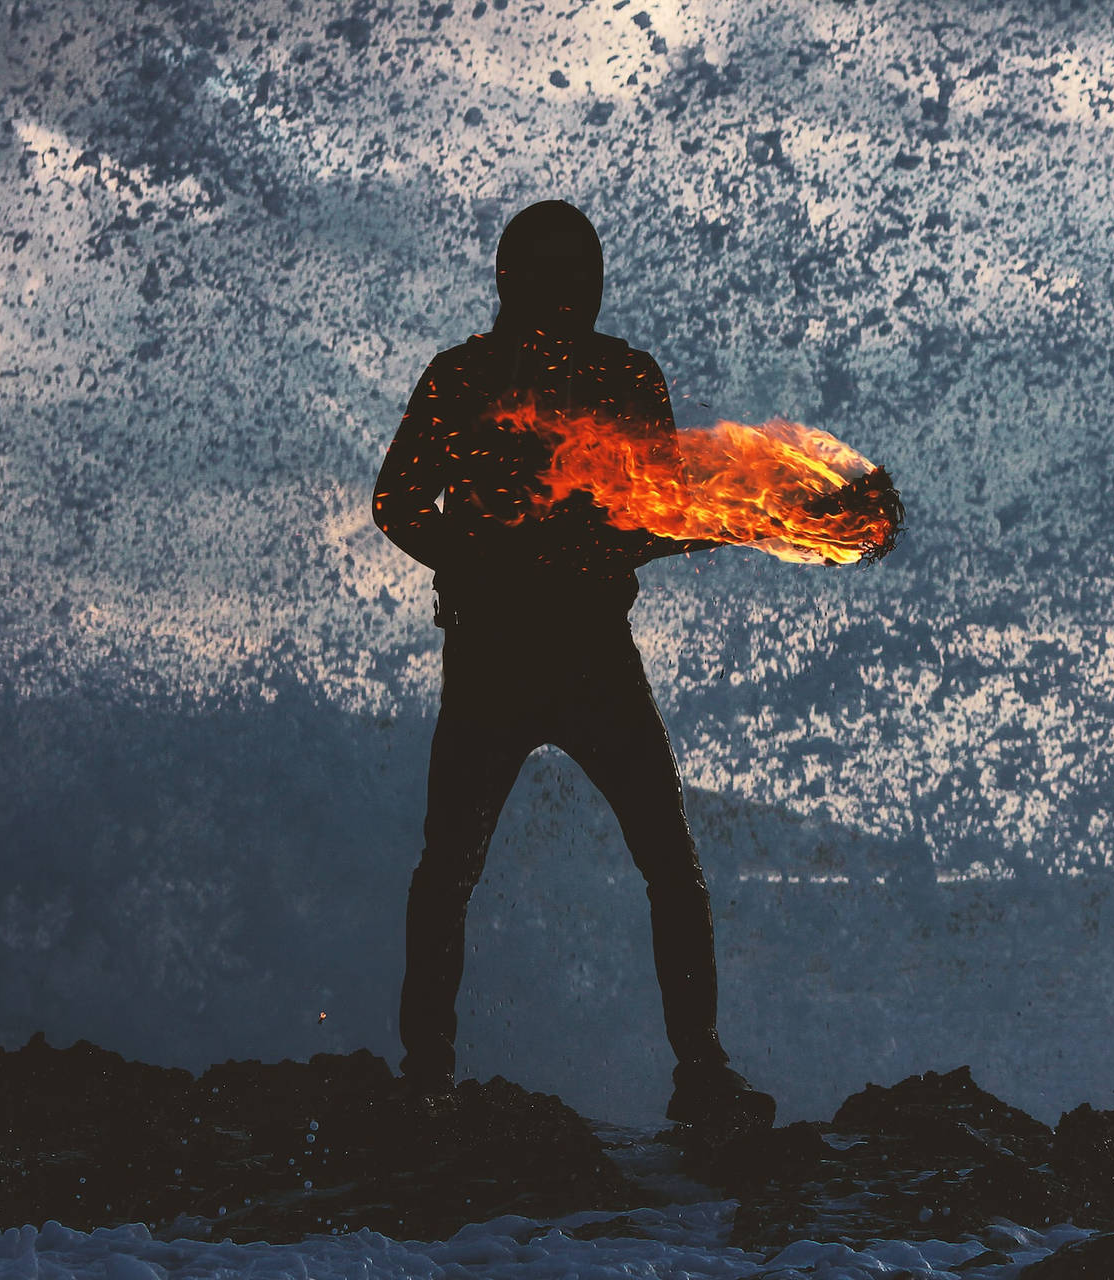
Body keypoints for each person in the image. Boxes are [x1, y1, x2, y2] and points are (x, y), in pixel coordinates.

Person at [372, 199, 775, 1128]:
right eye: (554, 278)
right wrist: (470, 557)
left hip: (594, 653)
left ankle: (700, 1068)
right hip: (493, 656)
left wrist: (745, 517)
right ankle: (426, 1073)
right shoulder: (463, 378)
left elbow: (656, 515)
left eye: (580, 278)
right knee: (450, 868)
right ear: (515, 283)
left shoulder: (625, 376)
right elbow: (397, 499)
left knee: (667, 861)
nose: (571, 297)